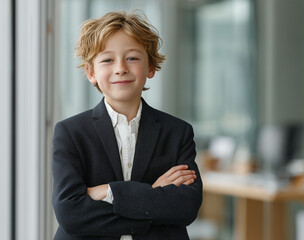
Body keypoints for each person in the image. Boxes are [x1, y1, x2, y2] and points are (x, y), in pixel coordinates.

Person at [52, 11, 202, 240]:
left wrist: (108, 191)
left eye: (132, 58)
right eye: (107, 60)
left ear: (151, 67)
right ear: (91, 72)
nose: (120, 68)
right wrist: (153, 193)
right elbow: (71, 213)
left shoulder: (177, 132)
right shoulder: (71, 133)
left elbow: (186, 207)